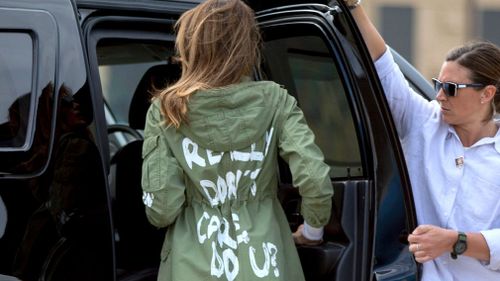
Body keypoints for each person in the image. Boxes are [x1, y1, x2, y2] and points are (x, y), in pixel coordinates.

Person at [141, 0, 334, 280]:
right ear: (247, 46)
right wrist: (313, 231)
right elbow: (315, 180)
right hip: (266, 261)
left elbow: (162, 210)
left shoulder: (166, 110)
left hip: (192, 265)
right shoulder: (276, 100)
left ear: (192, 45)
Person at [344, 0, 500, 280]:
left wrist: (455, 240)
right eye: (438, 84)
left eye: (450, 88)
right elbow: (382, 66)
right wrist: (354, 6)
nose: (439, 95)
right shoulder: (423, 121)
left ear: (486, 94)